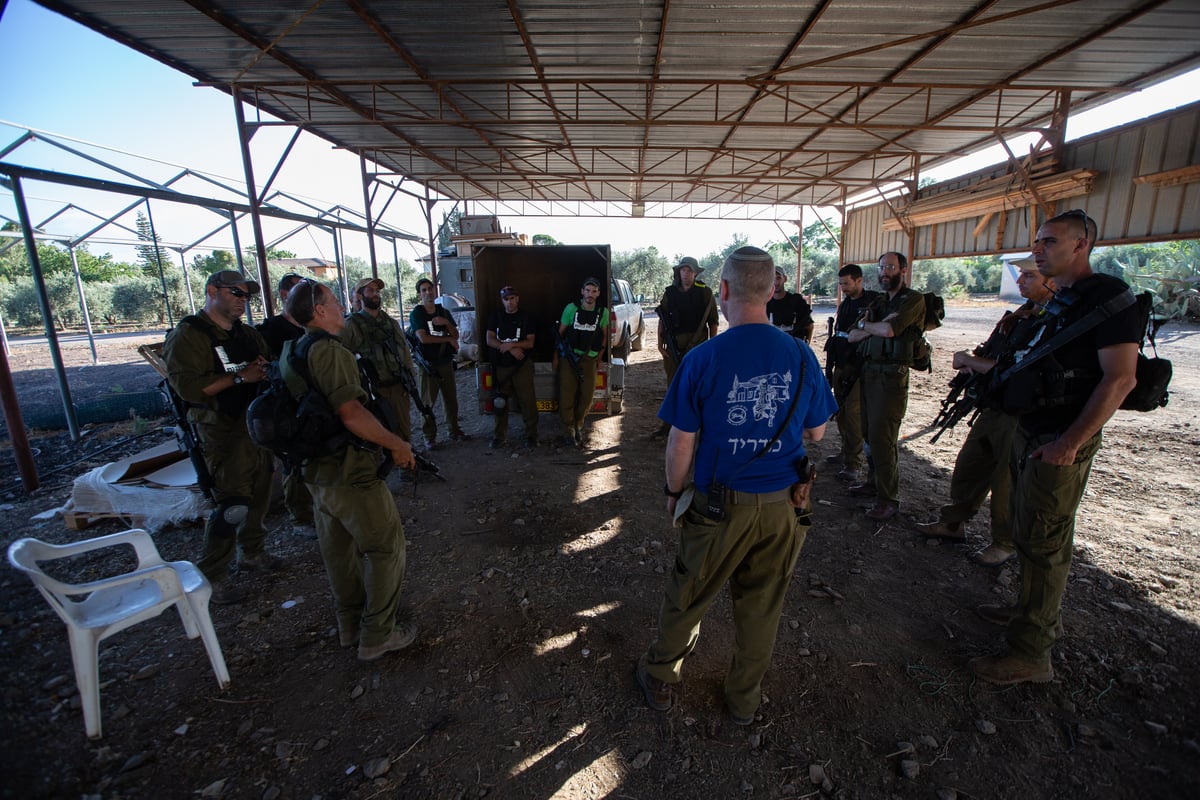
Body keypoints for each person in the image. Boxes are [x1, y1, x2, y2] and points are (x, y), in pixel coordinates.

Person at [636, 246, 838, 726]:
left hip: (716, 507)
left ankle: (662, 677)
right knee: (762, 607)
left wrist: (673, 491)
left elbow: (681, 443)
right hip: (783, 507)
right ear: (771, 290)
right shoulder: (801, 356)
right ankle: (744, 700)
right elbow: (816, 433)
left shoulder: (703, 357)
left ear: (722, 290)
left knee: (688, 594)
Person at [971, 210, 1139, 685]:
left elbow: (1121, 377)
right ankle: (1031, 614)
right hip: (1034, 431)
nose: (1039, 250)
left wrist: (1069, 442)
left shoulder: (1106, 299)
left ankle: (1031, 654)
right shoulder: (1060, 299)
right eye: (1038, 241)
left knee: (1044, 540)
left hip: (1058, 439)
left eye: (1049, 241)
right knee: (1030, 531)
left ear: (1082, 244)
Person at [284, 279, 421, 661]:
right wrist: (397, 444)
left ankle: (350, 625)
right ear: (319, 311)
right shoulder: (330, 352)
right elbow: (351, 413)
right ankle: (377, 634)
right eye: (334, 301)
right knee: (384, 547)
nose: (344, 306)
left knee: (339, 551)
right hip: (348, 470)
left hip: (317, 473)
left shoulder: (293, 350)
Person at [915, 258, 1057, 566]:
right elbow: (999, 355)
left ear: (1053, 282)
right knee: (971, 465)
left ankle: (1004, 542)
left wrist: (971, 361)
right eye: (1020, 275)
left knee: (1005, 479)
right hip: (995, 406)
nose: (1020, 281)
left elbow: (1023, 370)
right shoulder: (1024, 316)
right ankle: (954, 523)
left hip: (1020, 413)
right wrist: (974, 363)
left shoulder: (1054, 322)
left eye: (1029, 276)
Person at [163, 270, 281, 604]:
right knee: (232, 504)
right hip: (220, 428)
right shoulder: (190, 335)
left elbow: (265, 365)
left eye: (246, 296)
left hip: (254, 423)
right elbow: (188, 388)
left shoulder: (246, 333)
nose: (243, 300)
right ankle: (212, 576)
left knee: (259, 490)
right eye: (236, 293)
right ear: (212, 291)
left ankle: (252, 553)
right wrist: (240, 378)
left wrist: (263, 371)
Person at [845, 251, 926, 521]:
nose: (884, 272)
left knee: (883, 437)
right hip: (870, 371)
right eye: (881, 267)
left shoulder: (913, 300)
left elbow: (892, 331)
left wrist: (873, 326)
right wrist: (874, 326)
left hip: (892, 377)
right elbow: (853, 335)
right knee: (868, 431)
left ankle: (888, 497)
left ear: (903, 270)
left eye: (890, 267)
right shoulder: (880, 301)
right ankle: (873, 482)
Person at [256, 273, 317, 540]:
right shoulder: (271, 330)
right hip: (287, 403)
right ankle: (299, 516)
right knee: (293, 461)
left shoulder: (311, 328)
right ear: (284, 296)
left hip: (313, 401)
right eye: (300, 291)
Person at [341, 276, 417, 444]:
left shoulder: (390, 323)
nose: (375, 294)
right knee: (376, 433)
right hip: (371, 390)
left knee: (403, 429)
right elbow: (342, 357)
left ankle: (407, 466)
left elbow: (404, 351)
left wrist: (410, 379)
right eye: (370, 290)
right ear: (360, 295)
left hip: (397, 385)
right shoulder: (351, 325)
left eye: (377, 291)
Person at [823, 264, 878, 483]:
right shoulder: (846, 304)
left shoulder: (872, 302)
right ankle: (846, 451)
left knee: (854, 415)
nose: (843, 288)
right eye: (841, 284)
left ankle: (853, 463)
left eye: (846, 283)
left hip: (859, 367)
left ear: (859, 280)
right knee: (842, 412)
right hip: (842, 364)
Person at [653, 256, 719, 437]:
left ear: (696, 273)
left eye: (690, 270)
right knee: (673, 386)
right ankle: (668, 426)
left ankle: (700, 426)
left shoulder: (705, 292)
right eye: (683, 270)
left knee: (698, 387)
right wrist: (660, 344)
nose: (686, 273)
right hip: (673, 346)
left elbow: (713, 322)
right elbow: (662, 320)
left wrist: (711, 348)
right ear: (678, 272)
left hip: (698, 346)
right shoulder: (670, 293)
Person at [409, 277, 469, 450]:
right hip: (428, 364)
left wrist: (445, 324)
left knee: (451, 399)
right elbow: (423, 338)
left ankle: (454, 430)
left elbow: (456, 335)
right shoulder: (417, 314)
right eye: (424, 290)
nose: (428, 292)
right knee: (428, 402)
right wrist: (448, 338)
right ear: (419, 294)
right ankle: (429, 436)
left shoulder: (443, 312)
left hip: (445, 362)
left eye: (430, 288)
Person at [555, 276, 610, 448]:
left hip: (589, 359)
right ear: (582, 291)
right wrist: (556, 357)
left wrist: (600, 357)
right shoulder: (571, 309)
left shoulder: (603, 312)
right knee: (567, 395)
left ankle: (579, 423)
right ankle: (568, 430)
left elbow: (605, 336)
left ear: (598, 293)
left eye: (594, 291)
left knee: (587, 396)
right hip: (569, 358)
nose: (590, 294)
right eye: (587, 290)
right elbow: (559, 334)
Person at [485, 285, 539, 449]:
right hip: (501, 366)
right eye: (506, 299)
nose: (510, 302)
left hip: (521, 365)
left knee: (527, 401)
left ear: (518, 298)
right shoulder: (496, 316)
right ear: (502, 300)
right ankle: (499, 436)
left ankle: (531, 435)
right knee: (500, 401)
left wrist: (512, 345)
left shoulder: (526, 317)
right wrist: (509, 347)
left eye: (513, 298)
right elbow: (489, 339)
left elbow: (530, 342)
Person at [766, 267, 815, 342]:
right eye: (772, 278)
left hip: (794, 348)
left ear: (785, 279)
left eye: (778, 278)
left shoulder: (796, 301)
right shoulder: (765, 303)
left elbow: (809, 326)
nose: (775, 282)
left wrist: (805, 347)